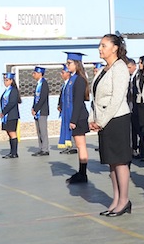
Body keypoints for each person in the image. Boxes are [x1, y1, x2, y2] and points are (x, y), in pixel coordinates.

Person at [88, 33, 132, 215]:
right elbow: (95, 97)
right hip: (104, 121)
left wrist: (101, 121)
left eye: (104, 45)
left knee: (120, 162)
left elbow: (117, 98)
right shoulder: (103, 70)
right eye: (100, 45)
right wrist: (93, 118)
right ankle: (115, 199)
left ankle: (124, 200)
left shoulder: (120, 68)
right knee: (111, 163)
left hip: (117, 119)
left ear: (115, 48)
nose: (100, 48)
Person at [64, 53, 91, 184]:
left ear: (77, 64)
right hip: (75, 116)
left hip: (79, 117)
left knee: (81, 146)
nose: (67, 65)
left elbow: (78, 101)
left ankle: (83, 173)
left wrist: (73, 120)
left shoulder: (79, 79)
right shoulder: (72, 78)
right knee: (79, 145)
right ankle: (81, 172)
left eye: (69, 63)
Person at [0, 72, 21, 159]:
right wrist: (0, 111)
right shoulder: (6, 91)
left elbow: (11, 103)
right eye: (4, 80)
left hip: (12, 115)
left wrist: (4, 111)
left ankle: (14, 153)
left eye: (7, 80)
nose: (5, 82)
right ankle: (11, 151)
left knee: (12, 133)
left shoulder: (13, 90)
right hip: (6, 115)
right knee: (9, 133)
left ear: (11, 80)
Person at [30, 67, 50, 156]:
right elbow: (36, 98)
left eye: (35, 73)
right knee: (39, 132)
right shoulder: (38, 84)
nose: (33, 75)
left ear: (40, 73)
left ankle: (45, 149)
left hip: (42, 111)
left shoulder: (44, 84)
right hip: (37, 111)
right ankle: (41, 148)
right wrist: (33, 108)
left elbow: (42, 98)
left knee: (43, 131)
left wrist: (36, 109)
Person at [57, 65, 74, 153]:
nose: (61, 74)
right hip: (65, 109)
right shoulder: (65, 84)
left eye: (63, 72)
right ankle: (68, 146)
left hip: (70, 109)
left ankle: (72, 146)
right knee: (65, 126)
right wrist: (59, 105)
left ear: (68, 73)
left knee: (70, 127)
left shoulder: (71, 83)